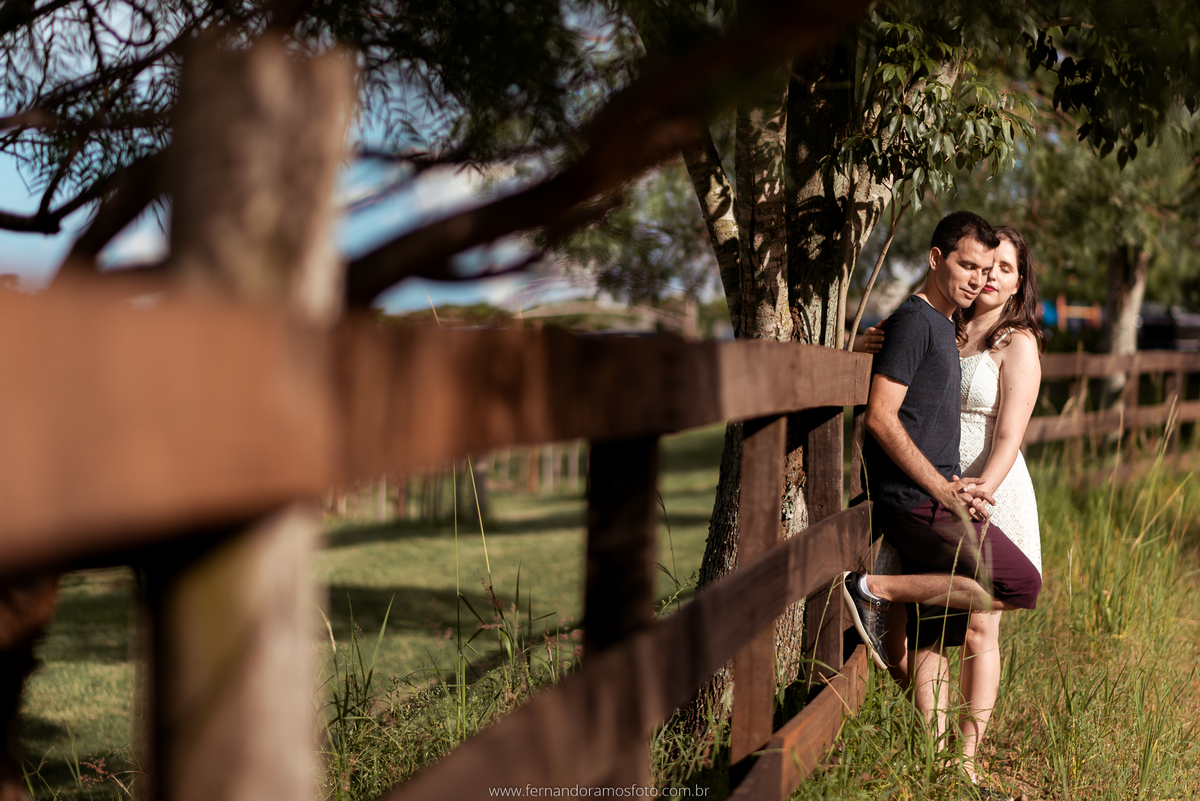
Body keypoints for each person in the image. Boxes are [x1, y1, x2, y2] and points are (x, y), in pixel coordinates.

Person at [840, 211, 1041, 799]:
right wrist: (862, 345)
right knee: (939, 628)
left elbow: (1009, 436)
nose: (988, 278)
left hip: (983, 490)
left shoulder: (1014, 341)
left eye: (1002, 268)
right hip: (935, 484)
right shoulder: (940, 325)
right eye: (978, 265)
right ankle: (932, 755)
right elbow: (894, 386)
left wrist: (979, 490)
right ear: (942, 260)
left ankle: (967, 758)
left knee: (988, 614)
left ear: (1018, 278)